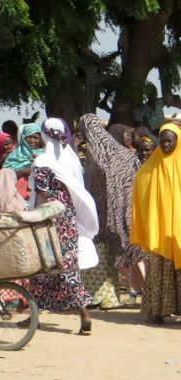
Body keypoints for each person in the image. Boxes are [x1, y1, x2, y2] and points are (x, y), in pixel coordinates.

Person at [27, 118, 98, 334]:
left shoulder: (41, 161)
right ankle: (42, 313)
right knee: (65, 264)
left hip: (49, 218)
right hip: (67, 217)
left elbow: (41, 194)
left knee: (43, 265)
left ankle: (40, 315)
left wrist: (34, 217)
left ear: (45, 135)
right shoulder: (71, 160)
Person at [79, 114, 148, 308]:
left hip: (117, 211)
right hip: (114, 211)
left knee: (134, 253)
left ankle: (149, 295)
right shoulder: (104, 153)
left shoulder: (103, 156)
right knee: (115, 254)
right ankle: (108, 296)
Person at [131, 123, 181, 324]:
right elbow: (141, 184)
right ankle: (157, 311)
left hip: (178, 229)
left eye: (170, 140)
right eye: (163, 141)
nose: (166, 144)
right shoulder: (152, 165)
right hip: (160, 230)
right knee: (158, 268)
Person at [3, 123, 45, 199]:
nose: (32, 140)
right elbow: (7, 176)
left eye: (35, 138)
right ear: (23, 138)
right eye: (28, 137)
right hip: (18, 197)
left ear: (41, 139)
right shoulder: (14, 155)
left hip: (40, 196)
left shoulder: (45, 154)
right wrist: (23, 171)